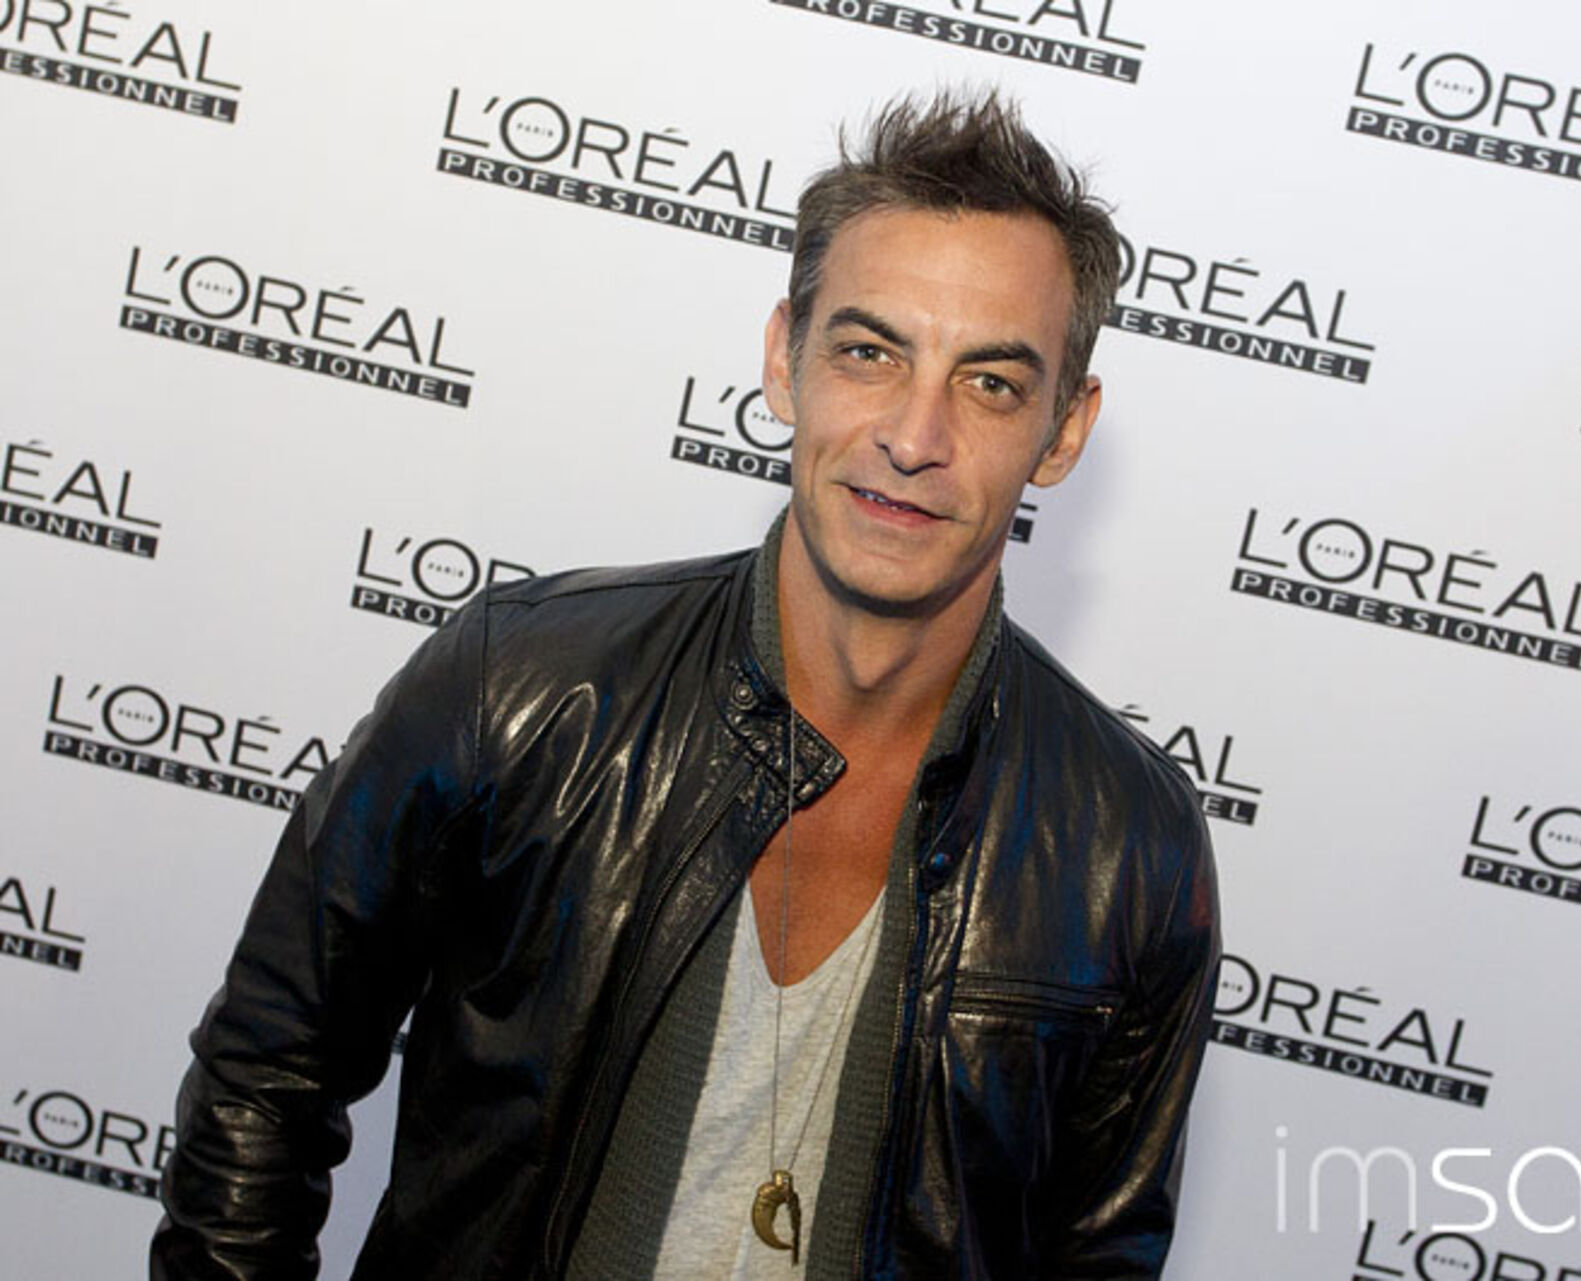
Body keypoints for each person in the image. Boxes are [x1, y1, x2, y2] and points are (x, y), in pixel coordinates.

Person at [153, 90, 1219, 1280]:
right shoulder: (525, 687)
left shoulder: (1128, 845)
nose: (914, 436)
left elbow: (1098, 1255)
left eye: (991, 383)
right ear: (783, 360)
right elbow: (267, 1071)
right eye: (869, 353)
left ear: (1064, 432)